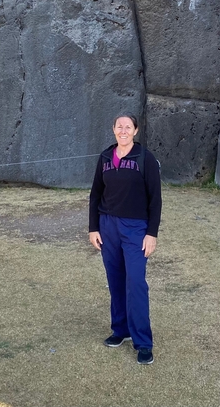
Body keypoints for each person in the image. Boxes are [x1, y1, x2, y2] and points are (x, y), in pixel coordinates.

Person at [88, 114, 162, 365]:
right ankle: (121, 330)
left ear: (135, 131)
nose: (123, 130)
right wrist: (93, 228)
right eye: (119, 126)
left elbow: (155, 200)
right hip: (108, 226)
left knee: (136, 282)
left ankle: (143, 341)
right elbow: (95, 194)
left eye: (127, 127)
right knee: (115, 279)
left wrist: (151, 233)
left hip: (135, 229)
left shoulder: (145, 158)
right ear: (113, 130)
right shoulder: (106, 158)